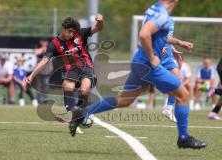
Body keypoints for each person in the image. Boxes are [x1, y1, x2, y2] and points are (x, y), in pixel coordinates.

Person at [69, 0, 207, 149]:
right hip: (149, 65)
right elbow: (144, 34)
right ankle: (183, 137)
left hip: (139, 62)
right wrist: (152, 56)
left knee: (123, 100)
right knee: (184, 95)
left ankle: (83, 112)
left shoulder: (154, 9)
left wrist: (178, 43)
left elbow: (156, 34)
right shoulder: (162, 14)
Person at [25, 16, 104, 130]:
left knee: (84, 90)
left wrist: (101, 22)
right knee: (67, 86)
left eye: (73, 32)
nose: (71, 34)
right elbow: (44, 60)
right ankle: (74, 116)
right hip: (69, 70)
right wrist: (31, 75)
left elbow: (98, 28)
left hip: (85, 66)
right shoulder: (54, 44)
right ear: (63, 28)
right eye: (69, 31)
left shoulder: (80, 33)